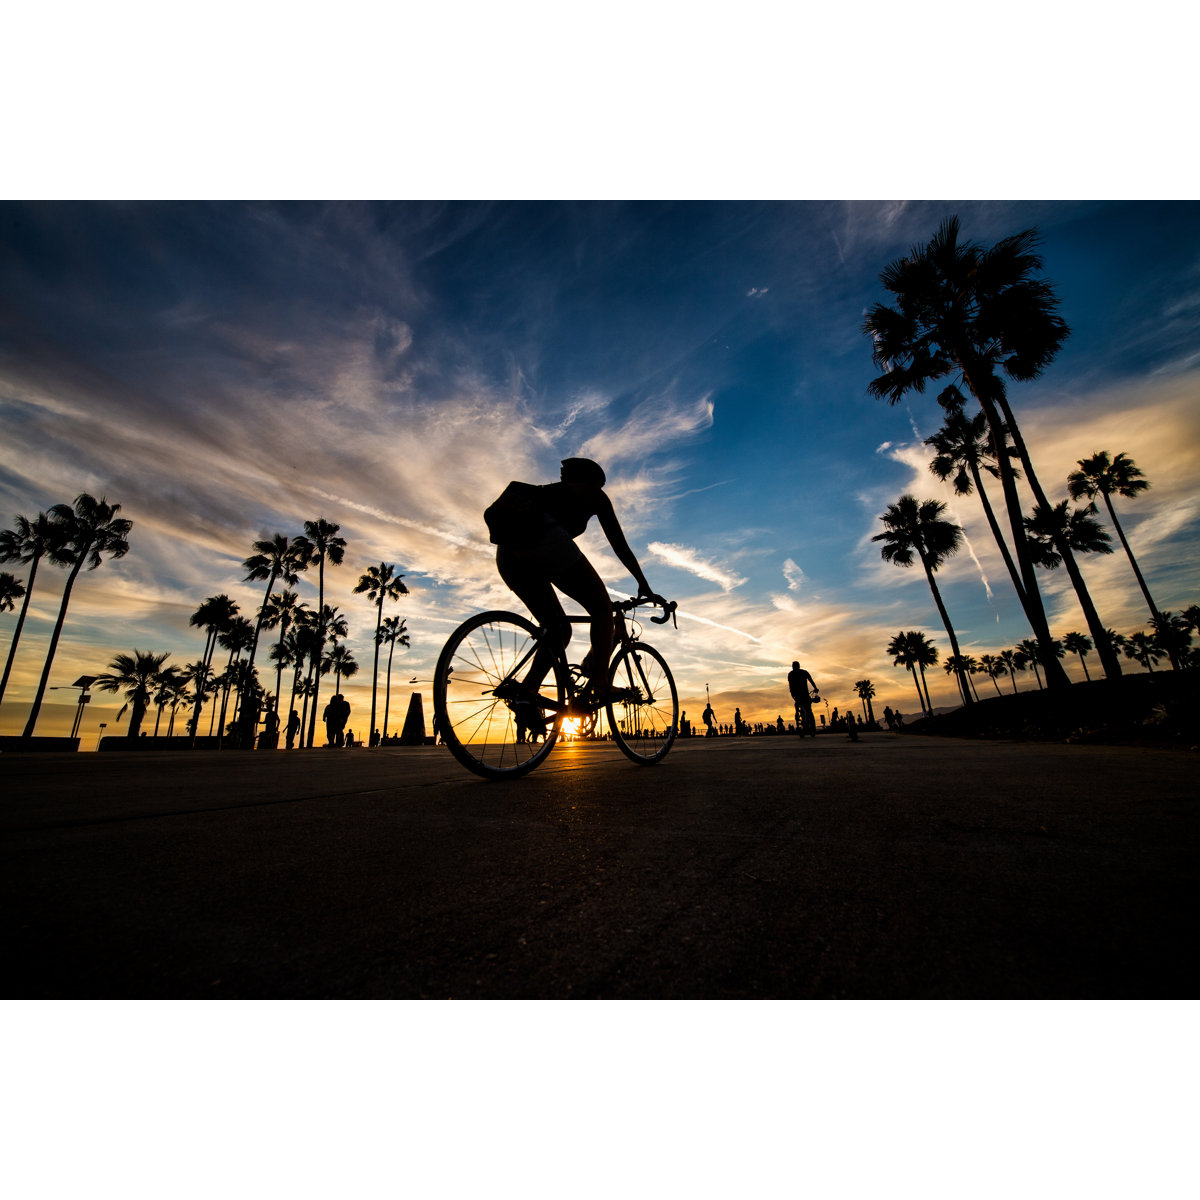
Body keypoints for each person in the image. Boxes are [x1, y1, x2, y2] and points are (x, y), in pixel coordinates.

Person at [485, 457, 666, 700]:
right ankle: (601, 683)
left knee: (558, 629)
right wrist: (643, 583)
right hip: (546, 540)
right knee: (602, 609)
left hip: (507, 554)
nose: (600, 490)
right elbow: (619, 544)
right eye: (599, 484)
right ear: (593, 482)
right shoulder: (595, 496)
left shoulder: (543, 495)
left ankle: (527, 692)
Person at [788, 661, 819, 737]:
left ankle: (803, 721)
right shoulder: (802, 673)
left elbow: (790, 686)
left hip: (799, 695)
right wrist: (815, 688)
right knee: (808, 710)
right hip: (801, 694)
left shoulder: (792, 674)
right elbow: (811, 681)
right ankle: (810, 726)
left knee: (805, 709)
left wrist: (793, 695)